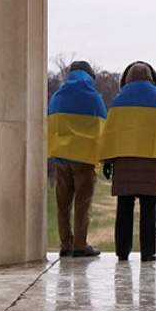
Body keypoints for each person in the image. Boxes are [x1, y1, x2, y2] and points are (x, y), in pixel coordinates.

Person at [98, 61, 156, 262]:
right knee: (149, 211)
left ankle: (122, 252)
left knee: (124, 210)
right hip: (151, 165)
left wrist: (108, 161)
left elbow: (110, 133)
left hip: (124, 165)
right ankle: (148, 252)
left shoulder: (119, 100)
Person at [47, 61, 107, 258]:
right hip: (84, 158)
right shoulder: (93, 98)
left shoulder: (57, 96)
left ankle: (65, 244)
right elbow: (102, 129)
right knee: (82, 203)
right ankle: (80, 245)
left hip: (62, 157)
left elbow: (51, 125)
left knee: (62, 204)